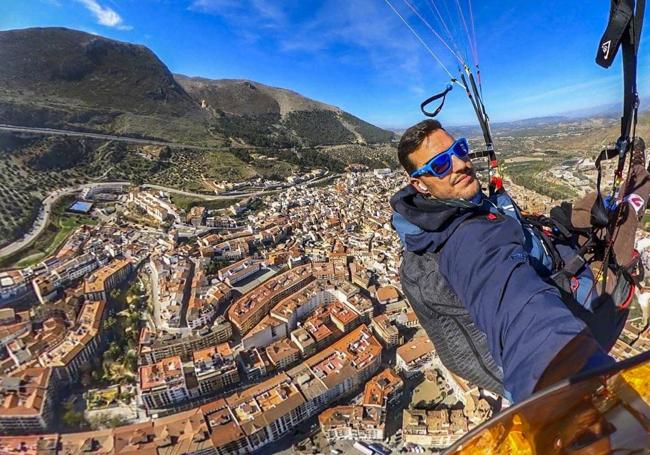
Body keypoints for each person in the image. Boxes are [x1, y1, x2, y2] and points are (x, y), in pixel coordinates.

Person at [390, 119, 650, 402]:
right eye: (440, 165)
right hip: (577, 300)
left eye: (459, 150)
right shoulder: (466, 242)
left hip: (550, 250)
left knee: (593, 205)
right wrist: (566, 395)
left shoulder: (453, 205)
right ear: (420, 184)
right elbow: (522, 315)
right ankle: (640, 181)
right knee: (624, 221)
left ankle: (628, 188)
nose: (459, 164)